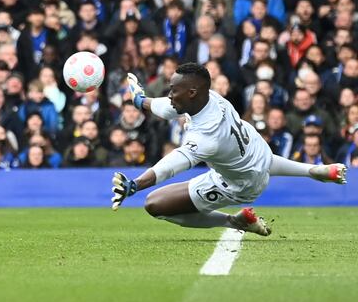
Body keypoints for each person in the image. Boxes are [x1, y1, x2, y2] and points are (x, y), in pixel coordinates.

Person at [110, 63, 347, 236]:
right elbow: (168, 106)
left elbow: (171, 165)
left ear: (191, 92)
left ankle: (234, 222)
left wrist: (135, 185)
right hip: (257, 151)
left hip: (239, 185)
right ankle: (314, 171)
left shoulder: (206, 137)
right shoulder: (209, 96)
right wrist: (141, 100)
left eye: (173, 89)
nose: (170, 93)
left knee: (155, 205)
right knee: (259, 162)